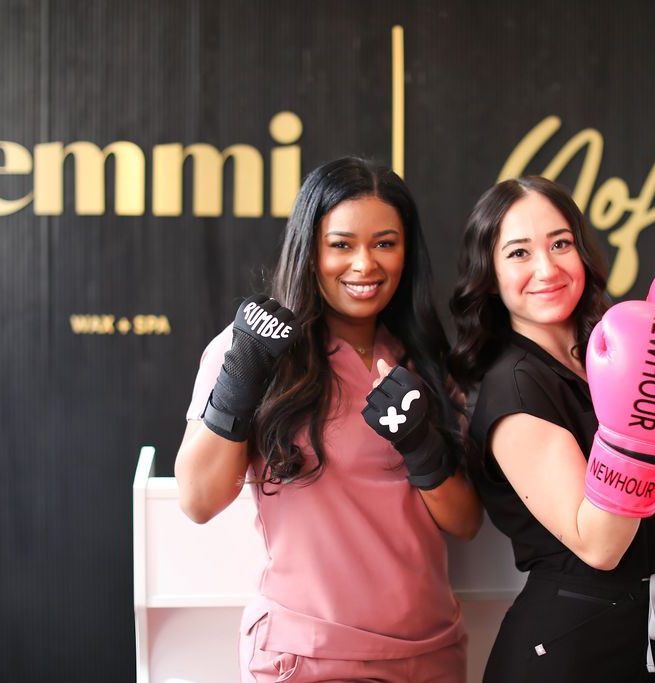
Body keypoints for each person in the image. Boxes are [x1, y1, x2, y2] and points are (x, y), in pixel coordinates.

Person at [175, 157, 482, 683]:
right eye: (341, 244)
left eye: (385, 243)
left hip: (430, 655)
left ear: (407, 252)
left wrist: (421, 445)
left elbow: (465, 521)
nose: (365, 264)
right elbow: (198, 501)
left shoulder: (424, 358)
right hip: (308, 656)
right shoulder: (252, 350)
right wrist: (245, 370)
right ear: (310, 250)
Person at [449, 176, 655, 682]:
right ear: (491, 275)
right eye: (519, 253)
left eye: (560, 243)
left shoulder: (619, 351)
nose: (546, 268)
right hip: (569, 655)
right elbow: (600, 545)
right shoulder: (514, 390)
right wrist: (638, 429)